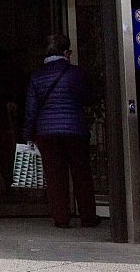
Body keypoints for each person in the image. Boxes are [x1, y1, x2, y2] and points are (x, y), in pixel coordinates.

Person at [22, 33, 99, 229]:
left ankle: (61, 218)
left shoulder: (37, 76)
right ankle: (88, 217)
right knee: (81, 175)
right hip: (75, 130)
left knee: (55, 177)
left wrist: (28, 135)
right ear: (67, 52)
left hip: (47, 133)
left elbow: (31, 110)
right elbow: (90, 97)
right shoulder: (77, 73)